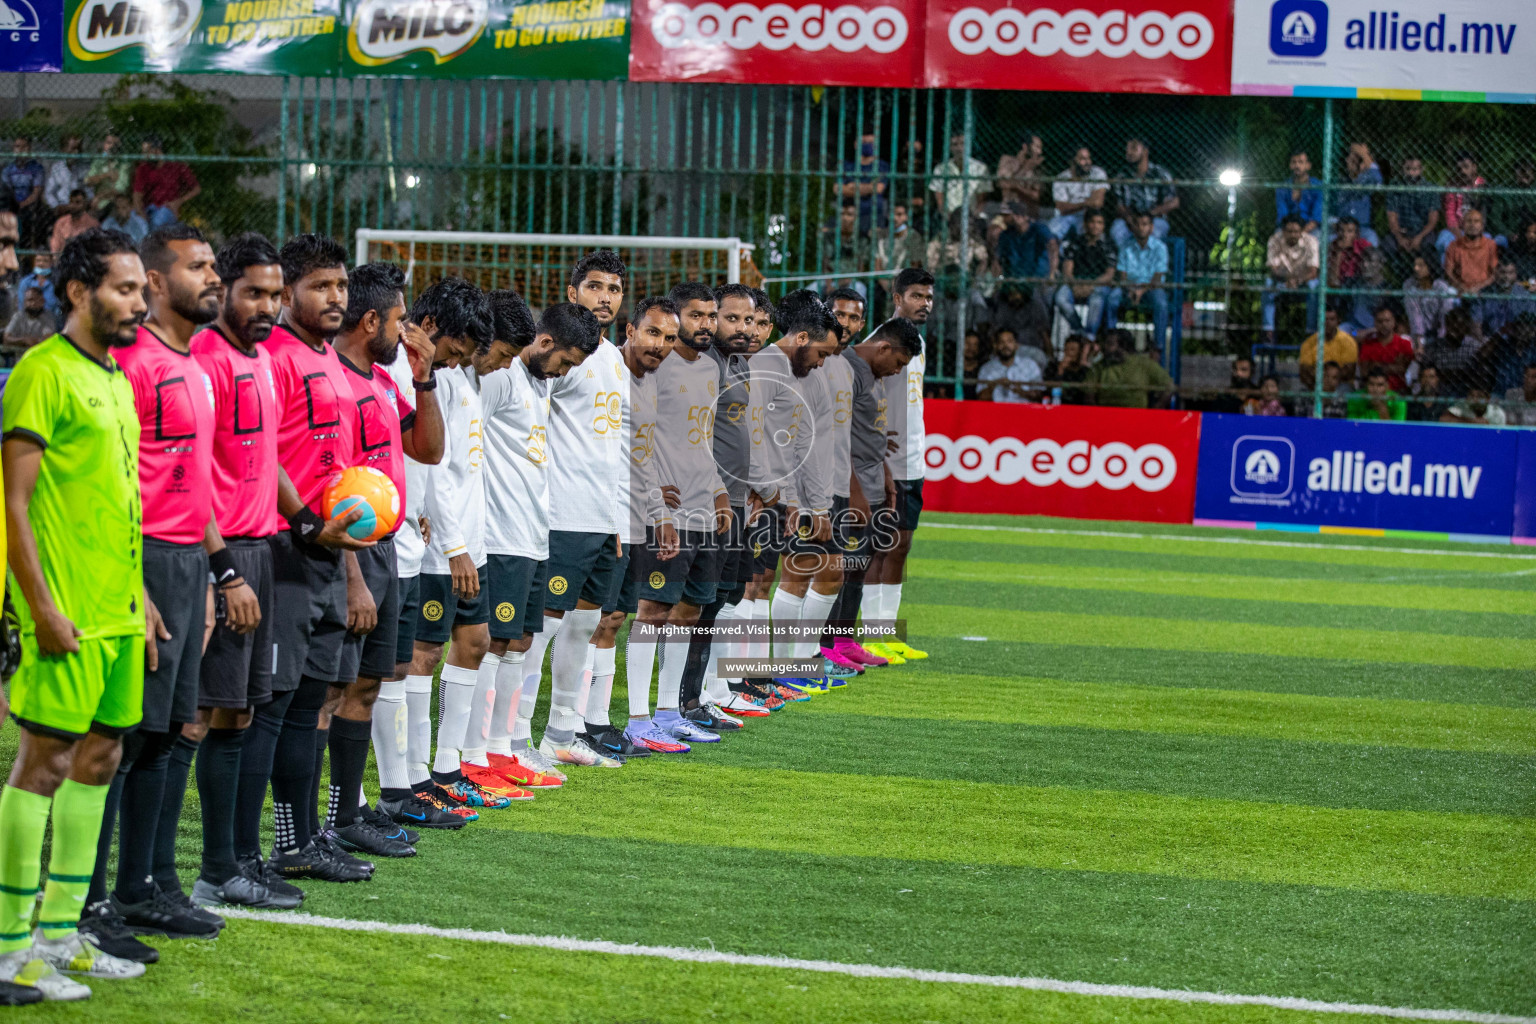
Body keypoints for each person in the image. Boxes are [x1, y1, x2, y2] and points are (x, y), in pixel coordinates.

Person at [0, 228, 152, 1001]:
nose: (139, 301)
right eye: (125, 289)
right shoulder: (40, 373)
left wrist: (145, 601)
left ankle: (60, 935)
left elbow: (119, 499)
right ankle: (5, 946)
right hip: (66, 616)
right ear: (77, 292)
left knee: (99, 761)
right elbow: (14, 506)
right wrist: (39, 610)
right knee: (44, 766)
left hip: (121, 616)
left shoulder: (118, 378)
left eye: (139, 289)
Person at [88, 225, 230, 950]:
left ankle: (145, 887)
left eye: (213, 267)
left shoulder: (197, 364)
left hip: (183, 565)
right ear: (153, 278)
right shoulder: (132, 363)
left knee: (169, 734)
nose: (213, 278)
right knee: (118, 740)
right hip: (138, 565)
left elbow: (193, 483)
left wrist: (211, 573)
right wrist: (132, 581)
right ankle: (88, 902)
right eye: (198, 267)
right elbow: (114, 483)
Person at [180, 234, 306, 912]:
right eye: (253, 292)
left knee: (238, 712)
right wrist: (223, 571)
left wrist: (306, 521)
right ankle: (204, 870)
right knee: (202, 716)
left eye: (274, 294)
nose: (266, 305)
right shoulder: (207, 358)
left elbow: (266, 462)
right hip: (223, 554)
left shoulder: (256, 359)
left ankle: (230, 863)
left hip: (265, 550)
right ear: (223, 289)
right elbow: (191, 479)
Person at [259, 234, 378, 885]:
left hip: (331, 552)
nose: (335, 297)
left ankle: (304, 840)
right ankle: (267, 845)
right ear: (287, 294)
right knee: (274, 708)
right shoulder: (274, 356)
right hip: (284, 546)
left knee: (312, 705)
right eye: (321, 286)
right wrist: (306, 524)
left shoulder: (328, 358)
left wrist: (350, 559)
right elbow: (265, 453)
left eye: (340, 286)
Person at [327, 263, 446, 853]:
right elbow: (329, 485)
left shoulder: (382, 381)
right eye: (399, 320)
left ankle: (348, 813)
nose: (405, 333)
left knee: (370, 686)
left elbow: (426, 448)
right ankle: (325, 817)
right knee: (333, 689)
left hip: (386, 554)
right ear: (371, 320)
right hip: (349, 557)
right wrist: (352, 577)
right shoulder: (335, 385)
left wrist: (424, 382)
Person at [404, 279, 515, 808]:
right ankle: (413, 775)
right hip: (441, 550)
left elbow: (468, 471)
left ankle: (449, 767)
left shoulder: (458, 379)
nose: (464, 358)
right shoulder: (429, 380)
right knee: (423, 655)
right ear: (432, 330)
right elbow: (434, 473)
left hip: (473, 541)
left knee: (473, 644)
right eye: (458, 348)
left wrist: (474, 540)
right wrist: (452, 546)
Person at [525, 250, 630, 770]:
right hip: (561, 516)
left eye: (614, 288)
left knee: (584, 628)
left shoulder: (611, 358)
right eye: (594, 286)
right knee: (538, 632)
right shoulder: (560, 356)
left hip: (600, 519)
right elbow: (534, 433)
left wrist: (616, 519)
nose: (605, 296)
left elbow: (612, 448)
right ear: (572, 293)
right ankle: (514, 739)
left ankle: (561, 734)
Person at [623, 282, 736, 736]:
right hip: (665, 514)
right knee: (651, 611)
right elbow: (640, 438)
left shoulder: (710, 368)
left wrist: (719, 488)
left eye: (711, 316)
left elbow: (701, 438)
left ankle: (670, 712)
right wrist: (655, 500)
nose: (706, 324)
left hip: (704, 507)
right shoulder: (654, 367)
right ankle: (636, 718)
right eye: (696, 316)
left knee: (689, 611)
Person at [676, 283, 774, 719]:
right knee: (696, 604)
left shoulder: (740, 366)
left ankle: (707, 693)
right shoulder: (706, 365)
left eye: (750, 320)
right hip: (706, 502)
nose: (743, 328)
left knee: (723, 598)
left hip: (735, 501)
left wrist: (753, 490)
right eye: (731, 318)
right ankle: (685, 700)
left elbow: (738, 437)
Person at [603, 296, 692, 750]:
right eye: (654, 333)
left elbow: (642, 454)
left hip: (635, 516)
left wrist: (658, 511)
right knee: (580, 622)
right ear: (631, 329)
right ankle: (570, 727)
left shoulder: (652, 381)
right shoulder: (603, 369)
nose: (661, 345)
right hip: (597, 514)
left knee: (614, 618)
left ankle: (616, 724)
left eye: (670, 338)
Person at [834, 317, 922, 672]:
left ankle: (845, 640)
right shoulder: (849, 370)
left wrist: (884, 472)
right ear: (884, 347)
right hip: (851, 488)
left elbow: (869, 434)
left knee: (859, 567)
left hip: (872, 482)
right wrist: (855, 490)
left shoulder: (875, 373)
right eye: (898, 363)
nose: (896, 371)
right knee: (842, 568)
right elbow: (840, 436)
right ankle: (826, 647)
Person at [862, 268, 933, 666]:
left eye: (929, 297)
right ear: (897, 296)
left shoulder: (917, 341)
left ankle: (886, 633)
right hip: (886, 463)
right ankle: (871, 637)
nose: (925, 303)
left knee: (901, 547)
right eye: (918, 296)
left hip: (913, 458)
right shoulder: (880, 342)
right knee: (879, 547)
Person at [1053, 208, 1117, 336]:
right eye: (1092, 222)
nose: (1095, 226)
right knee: (1060, 298)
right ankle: (1078, 330)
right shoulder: (1075, 242)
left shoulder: (1109, 245)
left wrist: (1091, 285)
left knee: (1097, 300)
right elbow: (1067, 270)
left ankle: (1089, 336)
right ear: (1085, 224)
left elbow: (1109, 274)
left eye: (1099, 222)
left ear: (1104, 226)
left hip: (1098, 285)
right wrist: (1075, 284)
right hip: (1075, 282)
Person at [1114, 211, 1170, 352]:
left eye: (1144, 224)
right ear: (1132, 227)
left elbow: (1157, 277)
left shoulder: (1160, 248)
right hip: (1129, 287)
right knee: (1111, 300)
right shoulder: (1125, 247)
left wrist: (1141, 291)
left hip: (1152, 288)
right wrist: (1131, 289)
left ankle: (1158, 346)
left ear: (1151, 227)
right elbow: (1123, 276)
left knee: (1161, 303)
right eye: (1137, 224)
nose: (1141, 228)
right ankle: (1112, 342)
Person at [1110, 137, 1177, 246]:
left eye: (1134, 148)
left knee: (1154, 233)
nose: (1129, 152)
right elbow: (1119, 205)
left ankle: (1148, 262)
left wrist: (1150, 215)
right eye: (1127, 149)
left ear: (1145, 151)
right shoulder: (1122, 175)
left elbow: (1174, 202)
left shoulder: (1159, 173)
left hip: (1155, 219)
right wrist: (1130, 219)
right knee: (1117, 230)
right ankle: (1127, 261)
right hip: (1130, 219)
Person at [1262, 214, 1319, 339]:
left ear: (1301, 231)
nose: (1293, 235)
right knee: (1267, 285)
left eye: (1296, 231)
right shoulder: (1275, 240)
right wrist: (1287, 279)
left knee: (1314, 286)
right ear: (1283, 231)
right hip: (1282, 281)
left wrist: (1297, 280)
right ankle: (1268, 330)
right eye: (1289, 231)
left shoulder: (1311, 241)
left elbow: (1313, 271)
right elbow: (1273, 270)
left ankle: (1311, 330)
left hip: (1303, 282)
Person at [1084, 327, 1172, 408]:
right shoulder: (1099, 367)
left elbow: (1169, 387)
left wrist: (1154, 412)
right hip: (1106, 416)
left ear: (1123, 346)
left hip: (1136, 417)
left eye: (1110, 344)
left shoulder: (1144, 364)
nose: (1105, 348)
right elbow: (1088, 394)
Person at [1383, 157, 1440, 274]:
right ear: (1403, 169)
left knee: (1430, 245)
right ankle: (1398, 275)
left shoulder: (1430, 189)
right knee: (1388, 243)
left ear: (1421, 169)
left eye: (1415, 169)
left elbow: (1433, 220)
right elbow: (1392, 218)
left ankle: (1428, 276)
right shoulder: (1395, 188)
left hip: (1423, 232)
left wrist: (1419, 237)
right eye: (1408, 169)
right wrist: (1400, 237)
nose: (1411, 173)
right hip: (1402, 231)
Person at [132, 137, 200, 230]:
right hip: (148, 209)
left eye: (147, 152)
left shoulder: (176, 165)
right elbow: (137, 195)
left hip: (167, 207)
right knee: (135, 220)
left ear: (157, 150)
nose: (145, 155)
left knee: (159, 220)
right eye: (143, 152)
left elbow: (196, 189)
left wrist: (179, 201)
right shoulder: (143, 168)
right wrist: (142, 215)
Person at [1048, 146, 1108, 240]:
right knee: (1052, 231)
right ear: (1072, 161)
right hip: (1066, 217)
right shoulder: (1061, 178)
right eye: (1083, 159)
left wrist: (1073, 205)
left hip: (1089, 217)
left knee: (1095, 231)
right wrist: (1086, 203)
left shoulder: (1097, 173)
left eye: (1088, 158)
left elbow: (1097, 203)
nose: (1088, 162)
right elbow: (1061, 207)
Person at [1422, 306, 1483, 394]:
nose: (1455, 327)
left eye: (1460, 324)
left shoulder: (1474, 346)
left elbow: (1473, 375)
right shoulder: (1435, 346)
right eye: (1451, 323)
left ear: (1466, 327)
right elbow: (1429, 370)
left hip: (1465, 391)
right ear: (1446, 325)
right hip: (1440, 391)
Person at [1355, 305, 1415, 395]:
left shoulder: (1404, 344)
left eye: (1387, 320)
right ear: (1375, 323)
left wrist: (1376, 365)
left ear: (1394, 322)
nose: (1384, 324)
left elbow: (1405, 370)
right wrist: (1393, 367)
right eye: (1380, 321)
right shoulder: (1368, 344)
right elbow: (1365, 371)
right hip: (1373, 391)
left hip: (1398, 391)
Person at [838, 128, 890, 232]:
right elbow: (838, 189)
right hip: (849, 216)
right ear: (856, 144)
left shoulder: (882, 166)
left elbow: (878, 189)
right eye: (864, 142)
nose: (867, 145)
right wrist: (870, 187)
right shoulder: (846, 165)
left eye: (871, 142)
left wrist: (852, 186)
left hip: (875, 216)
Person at [1436, 152, 1486, 257]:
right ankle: (1448, 272)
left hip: (1477, 230)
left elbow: (1483, 213)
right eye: (1459, 169)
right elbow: (1450, 215)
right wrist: (1461, 238)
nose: (1462, 171)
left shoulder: (1481, 185)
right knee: (1444, 242)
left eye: (1466, 167)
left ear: (1474, 168)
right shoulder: (1452, 186)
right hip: (1456, 231)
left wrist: (1474, 233)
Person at [995, 202, 1058, 285]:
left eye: (1007, 216)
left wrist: (1052, 274)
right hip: (1015, 278)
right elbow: (998, 258)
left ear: (1020, 216)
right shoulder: (1006, 234)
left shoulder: (1038, 229)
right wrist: (999, 279)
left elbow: (1053, 247)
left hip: (1039, 278)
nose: (1004, 219)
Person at [927, 133, 987, 220]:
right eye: (955, 144)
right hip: (948, 217)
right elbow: (940, 200)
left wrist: (974, 217)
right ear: (950, 148)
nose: (959, 148)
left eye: (963, 144)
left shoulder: (981, 168)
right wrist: (948, 216)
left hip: (972, 216)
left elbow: (982, 200)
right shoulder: (940, 169)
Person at [1298, 306, 1358, 390]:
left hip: (1339, 385)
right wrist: (1321, 383)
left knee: (1345, 388)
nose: (1327, 322)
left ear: (1338, 321)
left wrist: (1330, 381)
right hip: (1315, 385)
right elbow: (1304, 372)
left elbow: (1349, 372)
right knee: (1302, 392)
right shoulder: (1308, 343)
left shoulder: (1348, 341)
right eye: (1324, 319)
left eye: (1332, 319)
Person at [977, 328, 1042, 403]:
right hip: (996, 412)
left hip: (1024, 412)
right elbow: (980, 398)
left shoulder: (1030, 365)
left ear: (1016, 345)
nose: (1006, 346)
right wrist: (995, 384)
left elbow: (1039, 396)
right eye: (1001, 342)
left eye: (1010, 341)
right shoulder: (986, 368)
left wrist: (1019, 390)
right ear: (995, 346)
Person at [1444, 208, 1499, 296]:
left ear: (1482, 225)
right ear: (1463, 225)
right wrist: (1462, 287)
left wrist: (1479, 288)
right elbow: (1448, 272)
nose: (1472, 225)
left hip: (1484, 290)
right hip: (1459, 289)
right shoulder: (1454, 245)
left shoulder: (1490, 245)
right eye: (1469, 221)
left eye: (1476, 221)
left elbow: (1494, 274)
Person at [1402, 254, 1455, 345]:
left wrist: (1441, 337)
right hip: (1419, 333)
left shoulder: (1441, 286)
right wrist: (1419, 341)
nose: (1416, 268)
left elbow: (1445, 314)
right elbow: (1414, 314)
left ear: (1430, 266)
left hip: (1439, 332)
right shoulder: (1409, 285)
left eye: (1421, 265)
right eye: (1415, 265)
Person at [1335, 143, 1381, 245]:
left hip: (1362, 229)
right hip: (1341, 229)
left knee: (1372, 239)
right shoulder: (1339, 182)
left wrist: (1364, 155)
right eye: (1351, 160)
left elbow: (1377, 180)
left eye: (1358, 160)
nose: (1354, 163)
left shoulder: (1367, 182)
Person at [2, 138, 46, 245]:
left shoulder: (36, 168)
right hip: (10, 205)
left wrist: (21, 205)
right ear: (13, 149)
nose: (21, 150)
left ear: (30, 149)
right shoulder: (8, 169)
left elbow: (36, 193)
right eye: (18, 146)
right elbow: (6, 192)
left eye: (24, 147)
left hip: (29, 205)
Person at [995, 132, 1046, 216]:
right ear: (1025, 147)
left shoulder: (1038, 168)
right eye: (1037, 147)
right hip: (1008, 213)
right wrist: (1025, 169)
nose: (1040, 152)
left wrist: (1015, 186)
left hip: (1028, 214)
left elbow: (1035, 196)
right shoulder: (1007, 161)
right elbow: (1003, 184)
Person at [1476, 259, 1529, 335]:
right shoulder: (1484, 293)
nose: (1506, 277)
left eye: (1510, 273)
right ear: (1495, 273)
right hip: (1490, 338)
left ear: (1516, 274)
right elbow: (1476, 324)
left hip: (1517, 339)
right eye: (1502, 272)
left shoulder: (1525, 293)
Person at [1275, 150, 1322, 233]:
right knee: (1277, 236)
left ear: (1308, 165)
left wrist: (1301, 233)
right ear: (1290, 165)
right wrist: (1291, 233)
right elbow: (1282, 215)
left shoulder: (1318, 186)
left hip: (1310, 228)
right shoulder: (1283, 188)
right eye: (1294, 162)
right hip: (1288, 229)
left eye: (1301, 162)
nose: (1297, 165)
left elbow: (1316, 217)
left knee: (1317, 236)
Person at [84, 134, 132, 216]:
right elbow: (88, 181)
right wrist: (105, 175)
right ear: (104, 145)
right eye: (109, 143)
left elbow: (120, 189)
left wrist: (99, 196)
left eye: (115, 144)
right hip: (98, 203)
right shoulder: (98, 161)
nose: (112, 146)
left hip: (115, 202)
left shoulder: (124, 164)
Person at [43, 136, 89, 217]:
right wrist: (56, 206)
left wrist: (82, 204)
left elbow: (89, 191)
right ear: (64, 150)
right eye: (73, 148)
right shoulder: (57, 168)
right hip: (61, 207)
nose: (76, 152)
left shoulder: (83, 169)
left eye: (78, 149)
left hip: (80, 208)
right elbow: (48, 193)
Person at [2, 286, 53, 354]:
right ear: (24, 302)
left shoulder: (48, 317)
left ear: (42, 301)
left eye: (36, 300)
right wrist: (24, 340)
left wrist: (18, 341)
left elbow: (47, 340)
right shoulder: (18, 316)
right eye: (29, 300)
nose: (33, 303)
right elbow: (6, 339)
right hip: (20, 360)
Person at [1042, 334, 1090, 405]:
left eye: (1072, 350)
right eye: (1066, 349)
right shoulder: (1053, 367)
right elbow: (1049, 389)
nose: (1068, 353)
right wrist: (1060, 371)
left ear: (1079, 352)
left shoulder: (1084, 372)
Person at [49, 189, 99, 255]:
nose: (73, 206)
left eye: (78, 202)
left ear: (84, 204)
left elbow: (95, 247)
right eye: (71, 202)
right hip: (64, 259)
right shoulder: (61, 223)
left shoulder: (93, 224)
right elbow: (55, 245)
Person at [1326, 216, 1372, 287]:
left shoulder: (1363, 245)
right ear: (1337, 232)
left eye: (1350, 231)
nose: (1345, 235)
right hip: (1339, 285)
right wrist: (1338, 253)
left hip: (1359, 283)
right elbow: (1332, 280)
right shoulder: (1332, 247)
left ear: (1356, 234)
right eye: (1341, 230)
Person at [1441, 383, 1506, 425]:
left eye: (1479, 396)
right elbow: (1444, 418)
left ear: (1488, 398)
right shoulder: (1462, 407)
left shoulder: (1496, 413)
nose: (1475, 400)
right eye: (1471, 396)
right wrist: (1472, 422)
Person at [18, 251, 57, 319]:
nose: (41, 264)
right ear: (34, 262)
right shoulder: (25, 282)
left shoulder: (56, 283)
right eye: (38, 260)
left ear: (51, 263)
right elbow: (21, 307)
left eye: (45, 261)